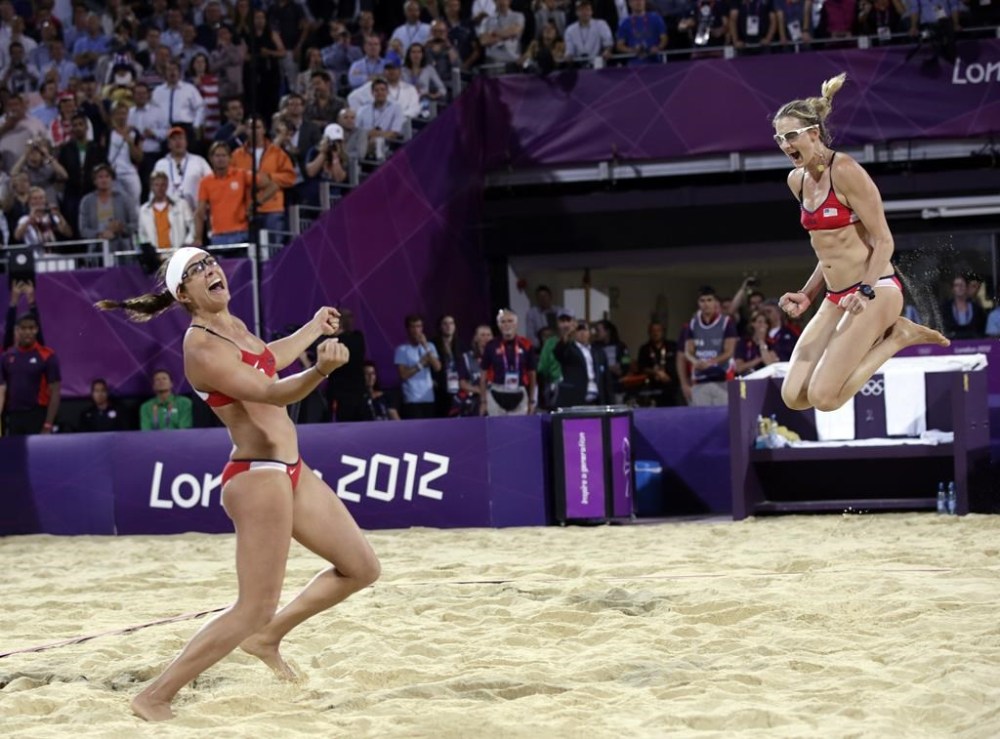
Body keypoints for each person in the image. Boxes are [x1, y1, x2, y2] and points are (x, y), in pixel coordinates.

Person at [96, 247, 380, 721]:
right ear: (182, 294)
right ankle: (154, 697)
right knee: (252, 605)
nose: (209, 270)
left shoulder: (233, 326)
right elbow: (272, 390)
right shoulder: (200, 347)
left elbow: (268, 360)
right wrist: (321, 370)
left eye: (209, 262)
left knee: (361, 568)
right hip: (258, 477)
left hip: (291, 468)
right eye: (194, 271)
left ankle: (266, 639)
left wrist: (312, 329)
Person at [773, 73, 948, 413]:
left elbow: (884, 240)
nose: (784, 145)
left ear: (814, 133)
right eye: (779, 138)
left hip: (875, 291)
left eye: (791, 136)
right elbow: (829, 249)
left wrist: (865, 290)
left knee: (824, 399)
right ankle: (888, 330)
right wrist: (808, 293)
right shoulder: (796, 180)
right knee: (794, 397)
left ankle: (899, 336)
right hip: (836, 296)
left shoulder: (847, 171)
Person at [0, 312, 61, 435]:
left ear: (36, 330)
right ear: (17, 330)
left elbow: (55, 392)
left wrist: (48, 424)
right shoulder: (6, 357)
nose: (27, 331)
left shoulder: (47, 355)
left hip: (37, 415)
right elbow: (2, 389)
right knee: (14, 454)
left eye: (31, 328)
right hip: (13, 416)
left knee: (39, 454)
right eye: (23, 328)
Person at [394, 313, 441, 419]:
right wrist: (420, 364)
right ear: (408, 329)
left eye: (419, 326)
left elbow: (437, 367)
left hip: (429, 397)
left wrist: (425, 346)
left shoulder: (430, 346)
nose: (416, 330)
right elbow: (403, 375)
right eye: (413, 327)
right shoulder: (402, 350)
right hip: (412, 399)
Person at [138, 170, 196, 252]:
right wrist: (150, 252)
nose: (160, 188)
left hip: (177, 252)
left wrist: (186, 244)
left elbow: (192, 227)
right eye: (156, 185)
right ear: (151, 187)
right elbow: (142, 235)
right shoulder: (144, 210)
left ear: (167, 185)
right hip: (156, 255)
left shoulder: (180, 204)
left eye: (163, 185)